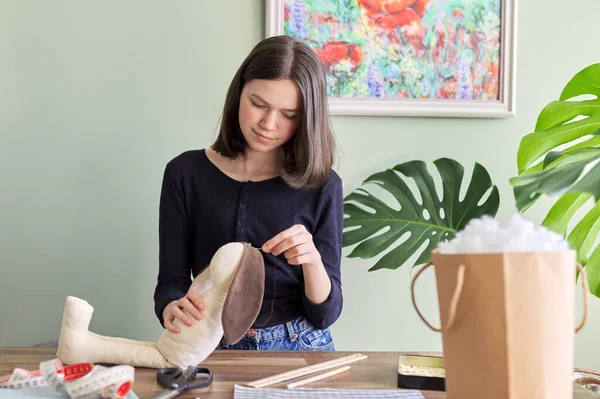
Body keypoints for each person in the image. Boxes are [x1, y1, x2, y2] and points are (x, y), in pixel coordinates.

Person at [153, 35, 343, 351]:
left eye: (289, 115)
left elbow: (325, 314)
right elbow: (171, 283)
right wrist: (171, 307)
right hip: (210, 344)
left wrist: (312, 261)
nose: (269, 124)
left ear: (307, 118)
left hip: (300, 345)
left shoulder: (323, 186)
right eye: (258, 104)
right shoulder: (184, 173)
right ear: (239, 91)